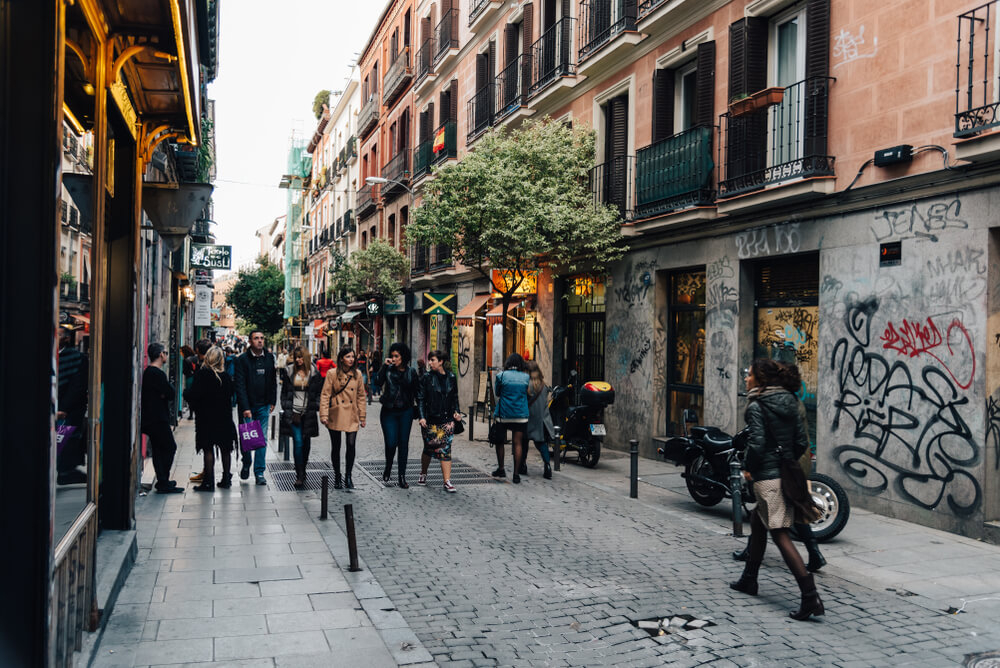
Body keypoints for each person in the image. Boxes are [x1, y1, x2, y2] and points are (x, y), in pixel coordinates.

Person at [730, 359, 825, 621]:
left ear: (761, 379)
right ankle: (749, 578)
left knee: (780, 533)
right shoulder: (792, 401)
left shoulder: (756, 405)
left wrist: (749, 467)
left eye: (750, 375)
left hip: (767, 477)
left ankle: (810, 597)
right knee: (758, 521)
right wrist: (786, 461)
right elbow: (802, 442)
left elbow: (757, 444)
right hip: (784, 473)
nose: (746, 379)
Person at [183, 346, 237, 491]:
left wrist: (186, 393)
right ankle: (226, 479)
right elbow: (231, 395)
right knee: (225, 449)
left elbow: (194, 395)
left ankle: (208, 482)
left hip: (206, 418)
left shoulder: (202, 375)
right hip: (224, 418)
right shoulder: (226, 377)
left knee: (208, 448)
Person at [373, 342, 420, 488]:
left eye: (396, 356)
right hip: (389, 411)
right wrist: (384, 366)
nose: (393, 359)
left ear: (403, 357)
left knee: (403, 444)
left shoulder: (411, 372)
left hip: (406, 411)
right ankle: (388, 465)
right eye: (392, 356)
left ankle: (401, 476)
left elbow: (418, 393)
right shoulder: (388, 370)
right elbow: (377, 382)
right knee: (391, 443)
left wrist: (421, 414)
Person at [233, 330, 277, 485]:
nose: (260, 341)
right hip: (248, 406)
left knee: (261, 439)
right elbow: (239, 385)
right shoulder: (242, 360)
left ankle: (259, 472)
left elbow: (272, 380)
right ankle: (246, 462)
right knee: (247, 437)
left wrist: (272, 401)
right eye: (256, 338)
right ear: (250, 342)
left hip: (263, 405)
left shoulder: (269, 358)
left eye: (261, 338)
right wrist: (245, 407)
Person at [319, 347, 367, 489]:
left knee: (351, 444)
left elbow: (361, 396)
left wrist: (362, 416)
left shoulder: (357, 374)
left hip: (352, 413)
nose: (351, 359)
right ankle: (337, 476)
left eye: (352, 356)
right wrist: (324, 414)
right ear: (341, 359)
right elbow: (325, 394)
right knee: (336, 446)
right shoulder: (332, 373)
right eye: (348, 356)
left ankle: (348, 476)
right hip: (336, 412)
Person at [279, 346, 323, 489]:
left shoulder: (314, 372)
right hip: (294, 413)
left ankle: (303, 467)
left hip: (308, 413)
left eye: (300, 357)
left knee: (306, 443)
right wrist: (286, 406)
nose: (298, 360)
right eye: (296, 357)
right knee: (298, 442)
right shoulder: (289, 371)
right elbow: (284, 392)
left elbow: (319, 392)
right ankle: (299, 474)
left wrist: (316, 405)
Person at [417, 349, 461, 492]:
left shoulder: (451, 377)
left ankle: (447, 481)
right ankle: (423, 473)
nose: (430, 363)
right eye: (429, 360)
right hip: (430, 420)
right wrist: (422, 416)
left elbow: (455, 397)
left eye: (433, 360)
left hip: (447, 420)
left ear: (440, 362)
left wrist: (457, 412)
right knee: (429, 448)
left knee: (445, 450)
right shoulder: (426, 378)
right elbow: (421, 398)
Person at [141, 343, 181, 494]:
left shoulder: (149, 372)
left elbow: (167, 393)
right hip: (158, 418)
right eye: (165, 352)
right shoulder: (156, 373)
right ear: (160, 354)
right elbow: (170, 392)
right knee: (170, 447)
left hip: (152, 417)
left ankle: (163, 480)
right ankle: (163, 480)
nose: (166, 355)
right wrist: (163, 394)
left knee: (158, 449)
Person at [56, 326, 89, 485]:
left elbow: (78, 386)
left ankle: (65, 472)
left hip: (68, 411)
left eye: (59, 334)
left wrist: (63, 408)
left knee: (65, 438)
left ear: (66, 338)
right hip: (53, 408)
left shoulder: (77, 358)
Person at [493, 353, 530, 483]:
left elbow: (497, 393)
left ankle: (501, 469)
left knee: (500, 442)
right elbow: (527, 393)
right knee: (518, 443)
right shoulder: (526, 377)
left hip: (504, 414)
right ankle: (516, 474)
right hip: (520, 415)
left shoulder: (501, 376)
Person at [521, 360, 554, 480]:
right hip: (541, 419)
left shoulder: (526, 385)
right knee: (541, 443)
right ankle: (547, 466)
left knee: (524, 442)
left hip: (528, 417)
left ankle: (522, 465)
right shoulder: (544, 386)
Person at [181, 344, 198, 419]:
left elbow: (185, 371)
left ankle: (191, 414)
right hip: (196, 378)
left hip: (189, 379)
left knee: (190, 397)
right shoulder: (196, 358)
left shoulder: (186, 360)